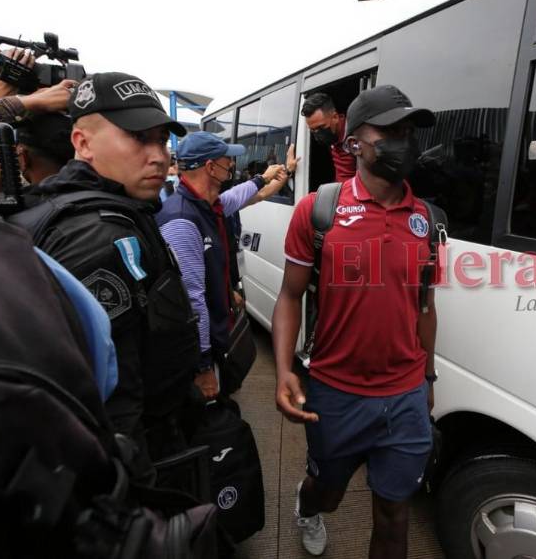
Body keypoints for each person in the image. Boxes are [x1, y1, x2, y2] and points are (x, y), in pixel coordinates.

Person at [273, 85, 440, 558]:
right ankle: (307, 510)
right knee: (328, 493)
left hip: (405, 396)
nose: (403, 141)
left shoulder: (427, 219)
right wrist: (285, 370)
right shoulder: (319, 210)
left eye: (408, 131)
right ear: (353, 144)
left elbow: (425, 305)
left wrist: (428, 376)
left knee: (395, 512)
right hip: (336, 392)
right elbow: (288, 296)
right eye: (389, 131)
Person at [10, 72, 201, 481]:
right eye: (139, 138)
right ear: (82, 143)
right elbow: (115, 410)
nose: (159, 155)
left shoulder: (70, 204)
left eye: (162, 141)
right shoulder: (100, 236)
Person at [155, 131, 294, 398]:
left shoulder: (209, 205)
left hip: (217, 334)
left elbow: (247, 195)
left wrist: (265, 176)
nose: (232, 165)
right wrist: (204, 365)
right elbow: (192, 302)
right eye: (227, 160)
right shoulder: (183, 220)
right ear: (211, 167)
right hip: (200, 353)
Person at [301, 92, 356, 182]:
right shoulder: (331, 139)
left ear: (335, 117)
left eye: (321, 127)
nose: (318, 133)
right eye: (313, 130)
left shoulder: (356, 134)